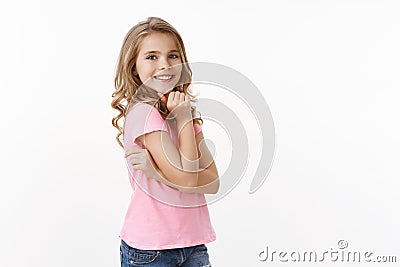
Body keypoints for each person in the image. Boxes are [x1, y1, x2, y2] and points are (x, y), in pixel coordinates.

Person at [111, 17, 220, 267]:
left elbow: (212, 182)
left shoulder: (182, 110)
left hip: (193, 244)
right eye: (151, 57)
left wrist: (156, 173)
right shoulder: (143, 112)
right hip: (152, 251)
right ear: (134, 67)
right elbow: (189, 177)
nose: (165, 65)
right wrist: (183, 120)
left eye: (172, 55)